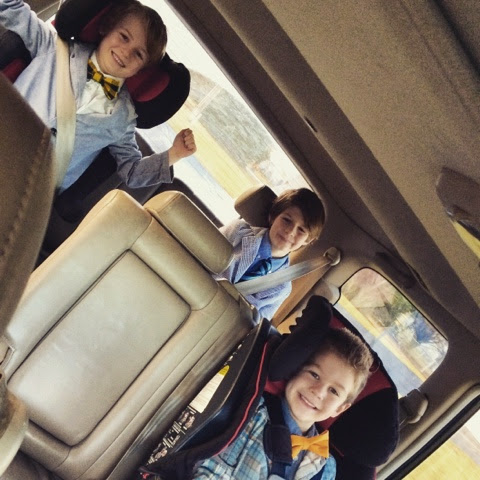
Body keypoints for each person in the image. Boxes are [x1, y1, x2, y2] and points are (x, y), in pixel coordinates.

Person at [0, 0, 196, 193]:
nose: (126, 52)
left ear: (141, 70)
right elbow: (12, 9)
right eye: (124, 37)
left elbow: (132, 172)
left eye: (139, 54)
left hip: (29, 190)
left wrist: (174, 154)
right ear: (106, 28)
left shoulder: (123, 119)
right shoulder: (53, 47)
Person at [191, 327, 374, 479]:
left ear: (340, 408)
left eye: (333, 391)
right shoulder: (252, 412)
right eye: (314, 374)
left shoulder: (327, 468)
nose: (318, 391)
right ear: (295, 369)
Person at [218, 188, 325, 319]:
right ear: (273, 217)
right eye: (287, 220)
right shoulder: (237, 231)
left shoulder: (283, 288)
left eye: (301, 230)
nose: (290, 231)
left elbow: (256, 324)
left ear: (307, 241)